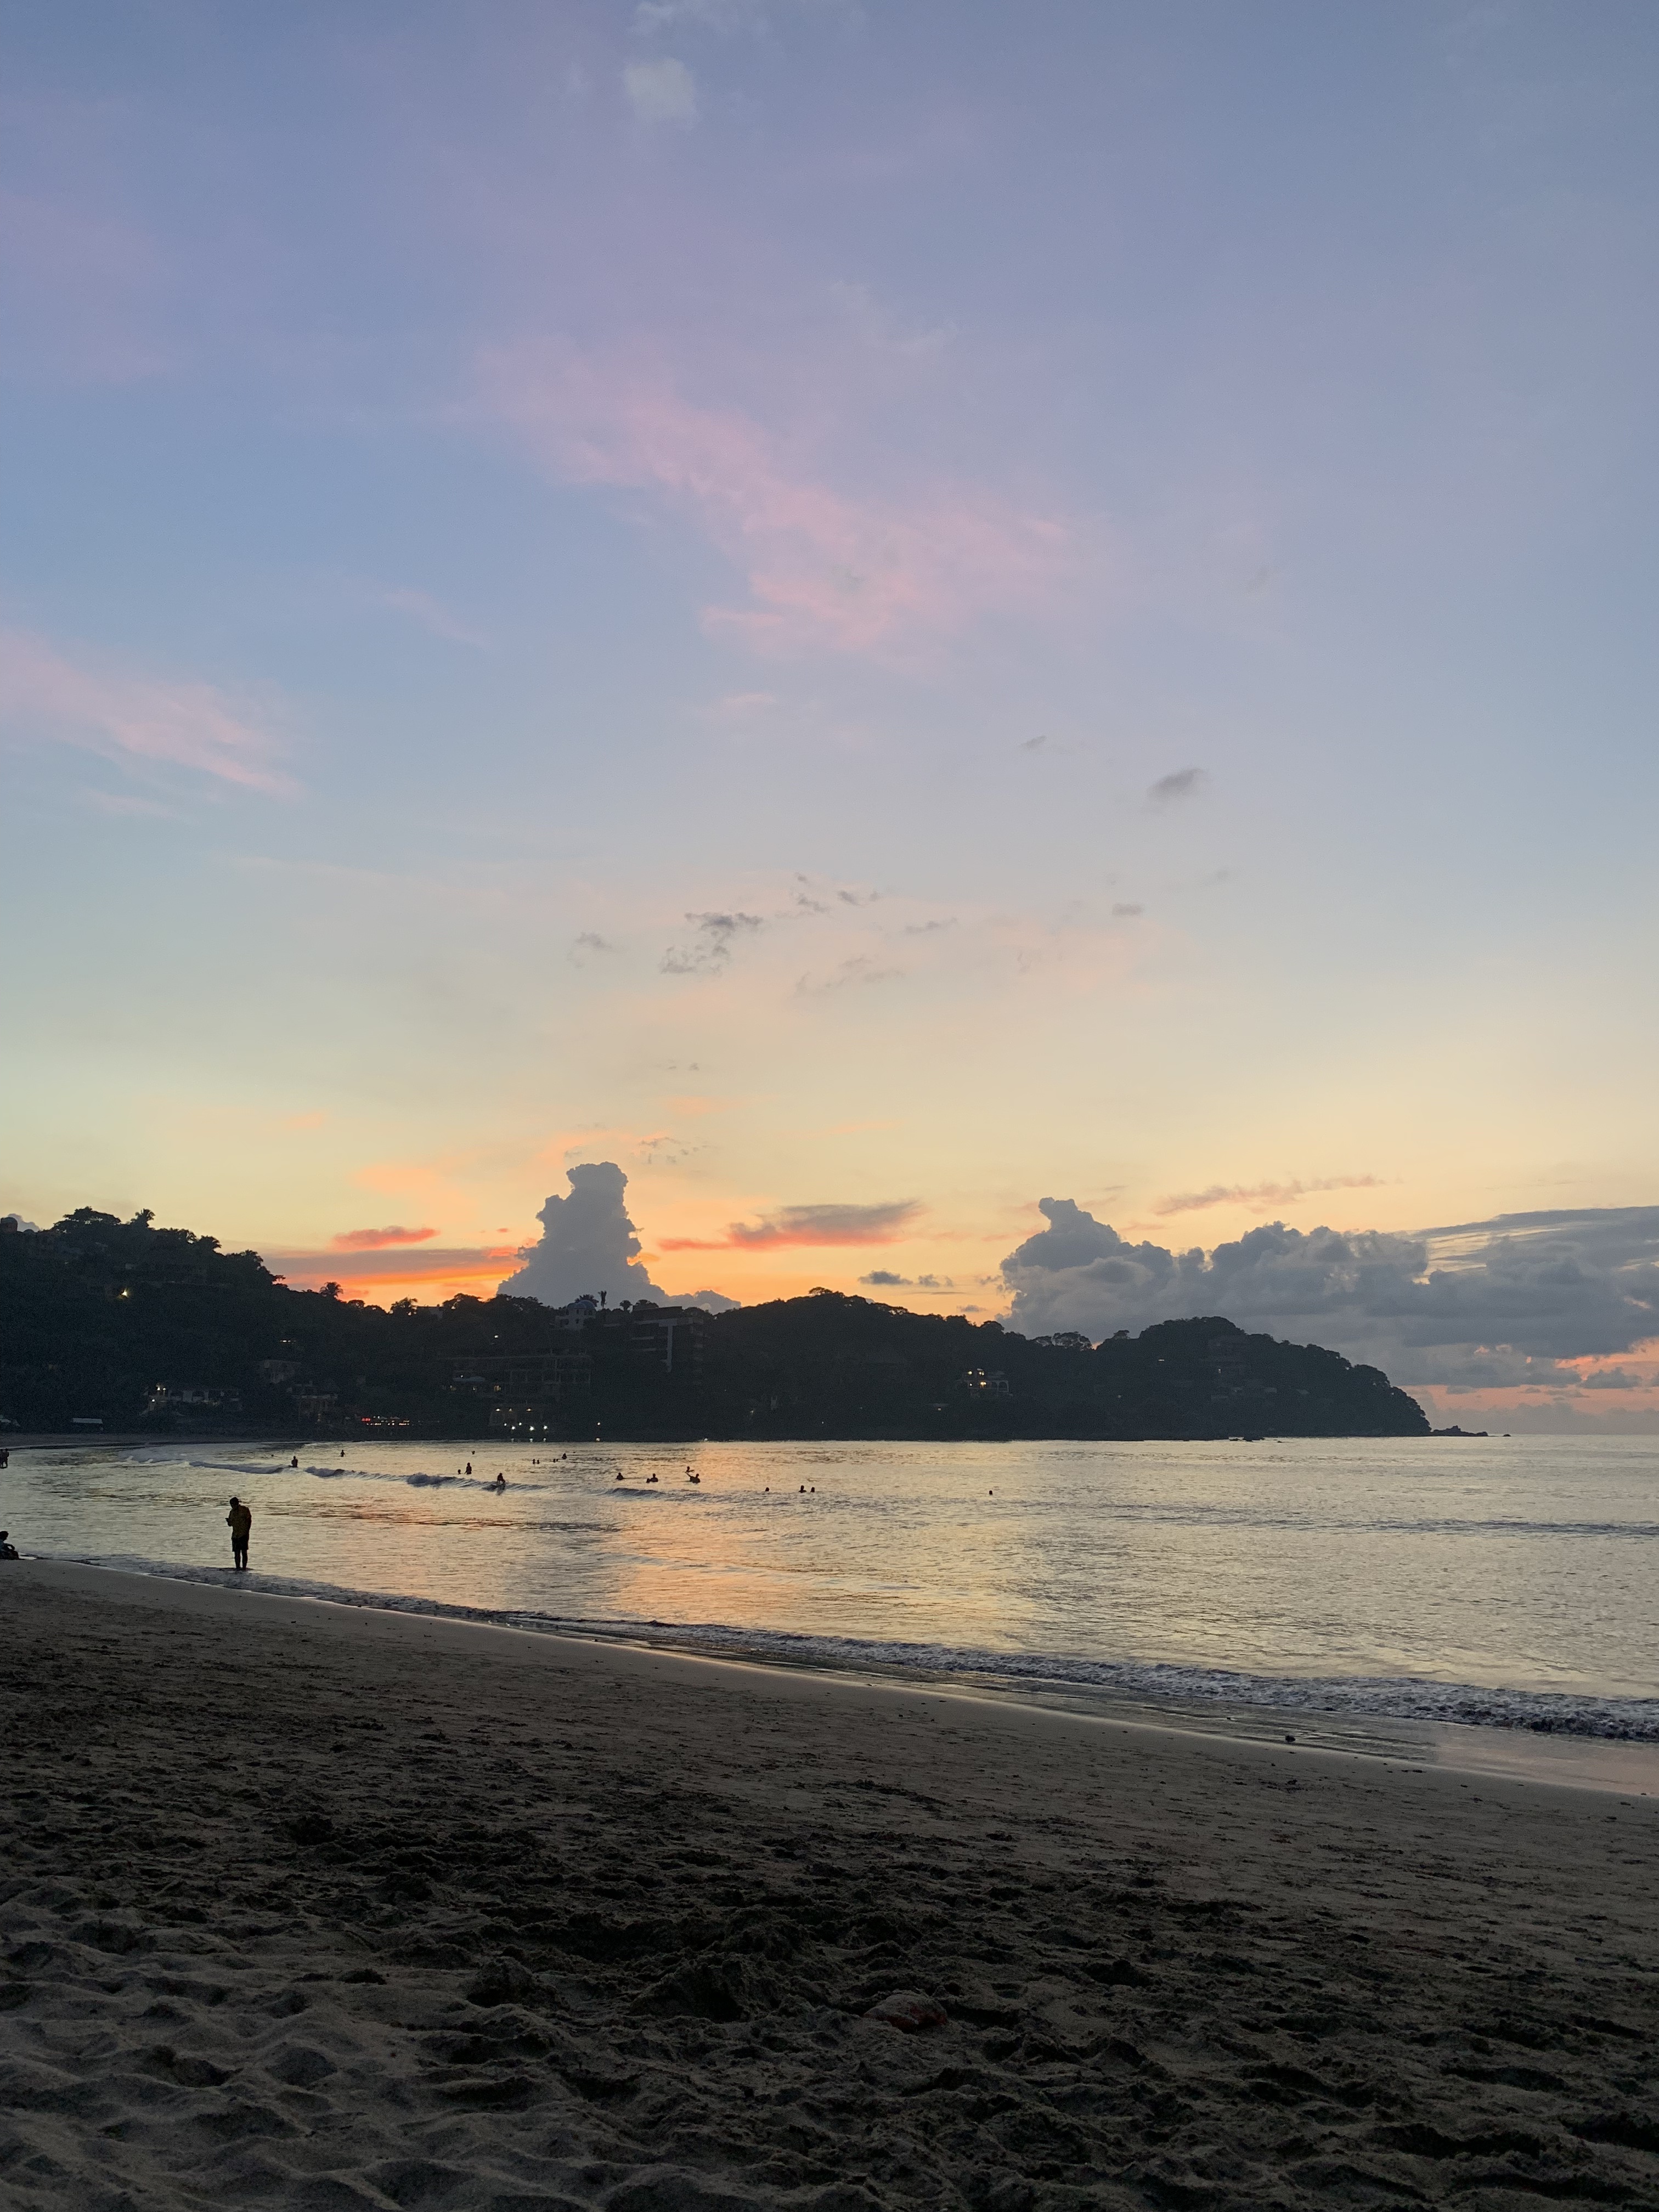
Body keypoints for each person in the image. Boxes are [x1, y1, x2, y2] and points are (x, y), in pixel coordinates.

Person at [226, 1496, 252, 1571]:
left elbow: (249, 1521)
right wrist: (229, 1522)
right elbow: (230, 1525)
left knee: (244, 1552)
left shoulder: (244, 1510)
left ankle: (244, 1568)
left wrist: (247, 1531)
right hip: (235, 1535)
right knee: (236, 1553)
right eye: (231, 1505)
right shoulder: (232, 1512)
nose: (232, 1506)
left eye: (233, 1504)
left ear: (237, 1503)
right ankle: (238, 1568)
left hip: (243, 1534)